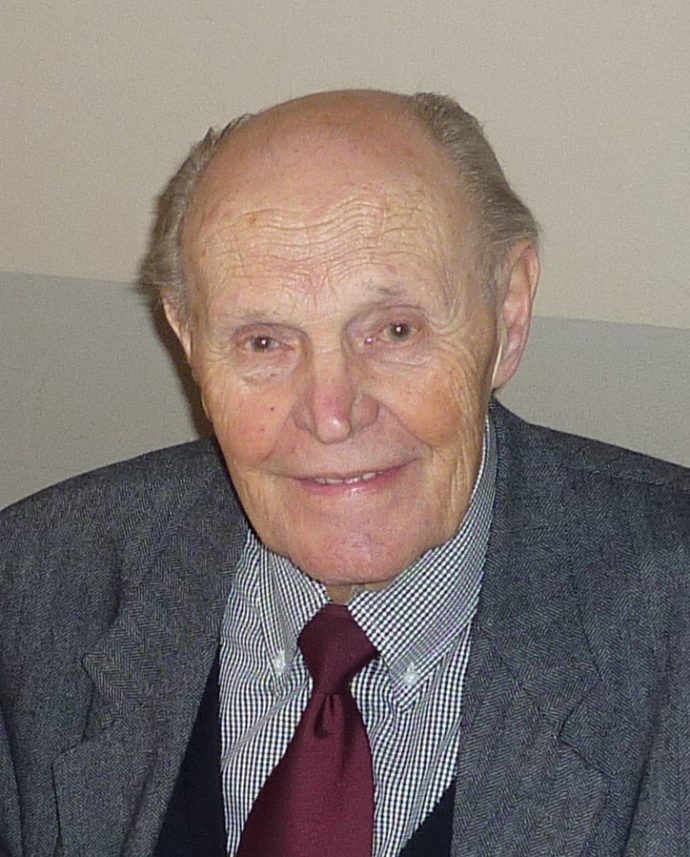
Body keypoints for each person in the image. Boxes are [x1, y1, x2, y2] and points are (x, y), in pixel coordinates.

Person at [0, 90, 688, 857]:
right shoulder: (34, 584)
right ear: (188, 338)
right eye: (264, 342)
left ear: (509, 310)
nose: (331, 415)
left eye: (394, 330)